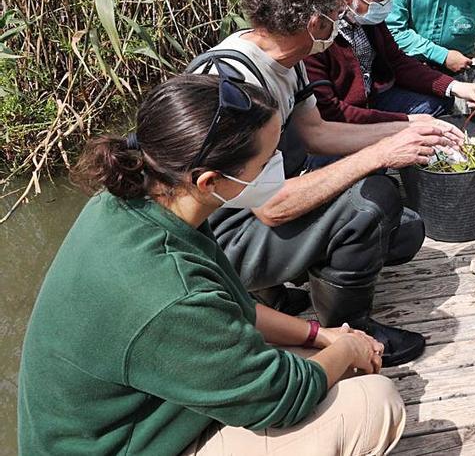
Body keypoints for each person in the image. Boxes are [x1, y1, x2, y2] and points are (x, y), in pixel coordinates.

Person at [18, 74, 406, 456]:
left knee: (339, 367)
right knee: (372, 403)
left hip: (143, 411)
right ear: (209, 182)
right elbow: (283, 396)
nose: (279, 165)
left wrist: (320, 335)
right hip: (121, 444)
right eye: (267, 160)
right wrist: (350, 347)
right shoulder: (170, 293)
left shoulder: (132, 199)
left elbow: (233, 306)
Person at [189, 0, 461, 367]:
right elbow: (271, 208)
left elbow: (317, 133)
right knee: (373, 201)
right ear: (316, 23)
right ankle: (350, 332)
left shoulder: (283, 58)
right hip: (224, 242)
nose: (343, 22)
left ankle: (274, 290)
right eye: (337, 12)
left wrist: (408, 129)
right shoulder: (237, 86)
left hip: (264, 204)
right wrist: (379, 154)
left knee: (403, 233)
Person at [306, 0, 475, 126]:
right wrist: (405, 122)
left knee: (439, 101)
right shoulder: (317, 38)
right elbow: (330, 112)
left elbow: (397, 62)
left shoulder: (366, 17)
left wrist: (454, 86)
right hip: (340, 121)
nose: (387, 6)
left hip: (372, 99)